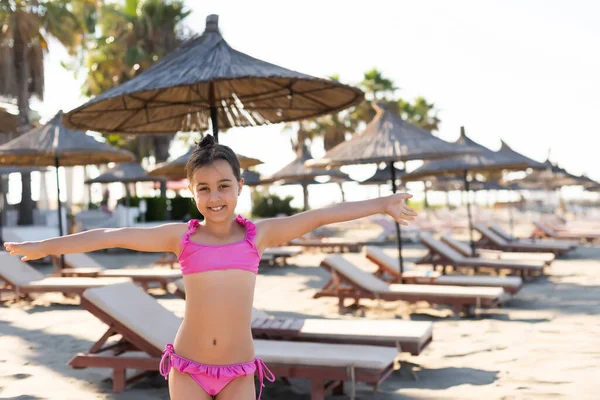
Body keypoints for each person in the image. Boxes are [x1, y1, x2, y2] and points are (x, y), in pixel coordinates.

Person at [4, 135, 417, 400]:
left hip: (239, 371)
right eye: (204, 188)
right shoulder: (180, 238)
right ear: (192, 192)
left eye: (224, 186)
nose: (215, 196)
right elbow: (108, 236)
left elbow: (322, 215)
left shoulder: (259, 235)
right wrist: (43, 247)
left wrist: (382, 203)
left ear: (240, 186)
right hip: (188, 368)